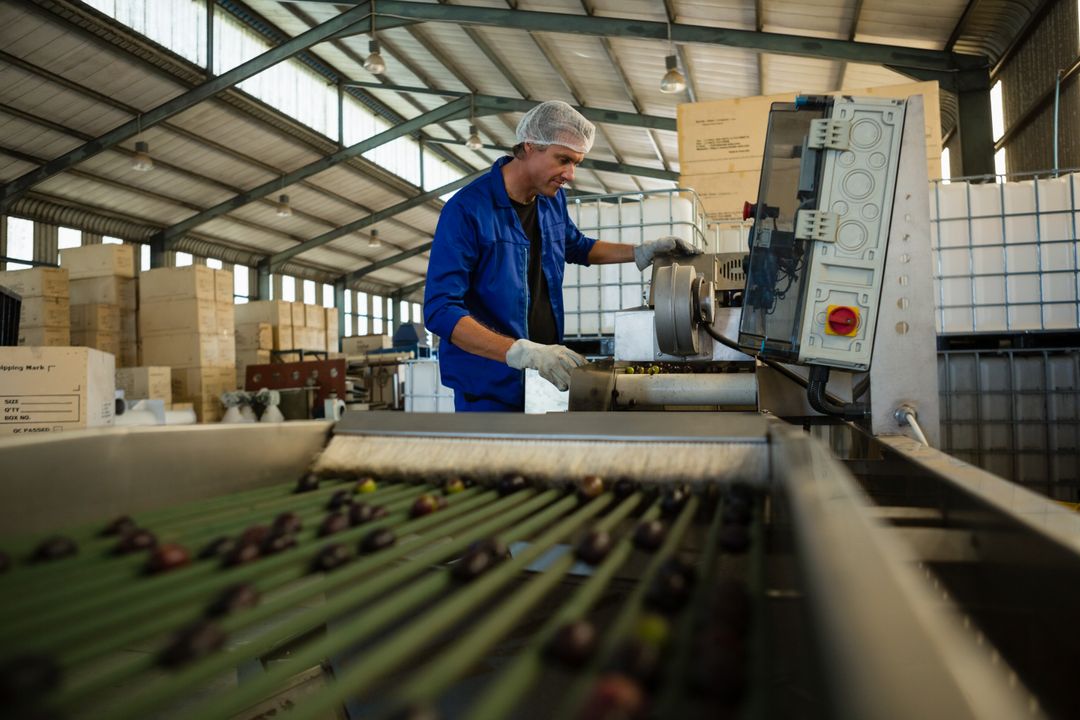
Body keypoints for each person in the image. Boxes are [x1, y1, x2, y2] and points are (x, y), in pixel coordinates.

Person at [424, 100, 700, 412]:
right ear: (529, 146)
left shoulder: (550, 200)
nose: (569, 174)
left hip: (544, 379)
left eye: (576, 163)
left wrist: (641, 251)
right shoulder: (467, 211)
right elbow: (440, 309)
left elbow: (576, 246)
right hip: (489, 392)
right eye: (563, 159)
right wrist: (519, 352)